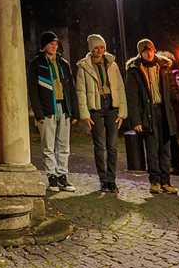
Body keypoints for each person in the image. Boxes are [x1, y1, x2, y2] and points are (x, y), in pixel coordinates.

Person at [74, 33, 128, 193]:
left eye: (102, 47)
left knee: (112, 145)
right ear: (91, 49)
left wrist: (122, 112)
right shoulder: (84, 66)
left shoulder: (112, 64)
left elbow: (120, 87)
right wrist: (85, 114)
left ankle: (112, 180)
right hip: (95, 109)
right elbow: (81, 91)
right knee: (99, 145)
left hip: (112, 106)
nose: (100, 50)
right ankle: (103, 179)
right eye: (96, 47)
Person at [125, 39, 178, 195]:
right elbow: (132, 97)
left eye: (151, 50)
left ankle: (166, 181)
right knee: (152, 149)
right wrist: (136, 120)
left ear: (155, 50)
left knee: (165, 148)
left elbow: (172, 90)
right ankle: (154, 181)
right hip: (148, 113)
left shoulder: (164, 67)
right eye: (145, 51)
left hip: (164, 112)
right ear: (140, 53)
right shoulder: (134, 70)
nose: (148, 53)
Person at [27, 31, 78, 192]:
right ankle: (52, 177)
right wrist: (38, 112)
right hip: (47, 109)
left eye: (56, 44)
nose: (54, 46)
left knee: (64, 145)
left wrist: (73, 111)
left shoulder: (64, 63)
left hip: (63, 108)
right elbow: (33, 90)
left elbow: (71, 88)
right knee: (48, 146)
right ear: (44, 46)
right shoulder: (36, 64)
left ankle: (63, 175)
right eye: (51, 44)